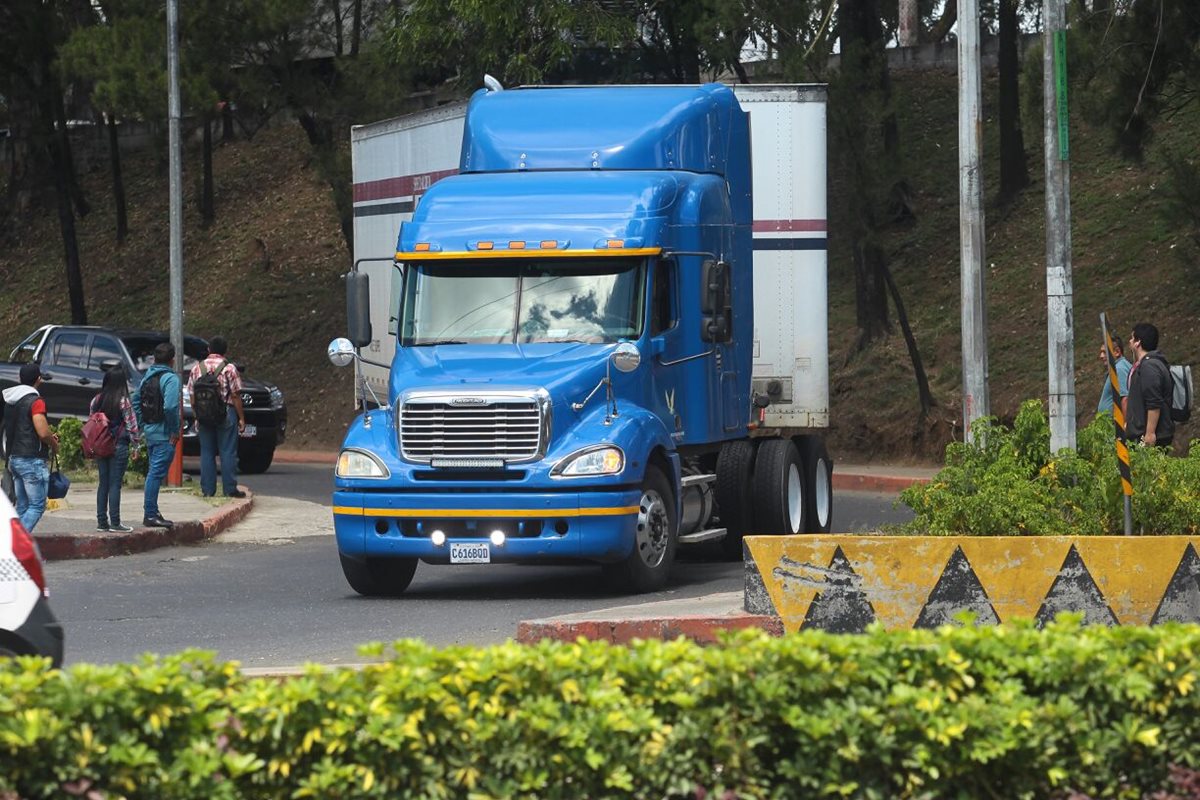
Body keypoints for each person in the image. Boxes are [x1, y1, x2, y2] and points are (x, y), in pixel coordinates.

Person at [2, 363, 59, 531]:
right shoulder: (36, 401)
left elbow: (23, 428)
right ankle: (15, 546)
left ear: (20, 379)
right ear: (39, 379)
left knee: (22, 507)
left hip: (14, 459)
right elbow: (42, 432)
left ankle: (15, 550)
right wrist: (53, 443)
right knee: (36, 506)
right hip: (31, 460)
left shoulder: (10, 401)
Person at [187, 336, 247, 498]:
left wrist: (197, 416)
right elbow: (235, 395)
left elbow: (192, 396)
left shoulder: (197, 368)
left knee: (207, 452)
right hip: (226, 413)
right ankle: (229, 489)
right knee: (227, 452)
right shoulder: (230, 369)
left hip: (204, 415)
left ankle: (208, 490)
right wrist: (241, 418)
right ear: (225, 351)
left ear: (209, 350)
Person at [132, 342, 182, 529]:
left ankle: (152, 511)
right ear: (172, 360)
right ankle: (150, 514)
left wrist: (143, 423)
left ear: (155, 359)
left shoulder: (147, 377)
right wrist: (174, 430)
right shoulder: (171, 379)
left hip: (151, 432)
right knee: (155, 474)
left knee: (154, 472)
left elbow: (135, 401)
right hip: (164, 435)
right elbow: (170, 407)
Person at [90, 367, 141, 532]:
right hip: (118, 445)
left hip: (100, 445)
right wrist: (136, 446)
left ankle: (101, 522)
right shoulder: (124, 401)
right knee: (115, 484)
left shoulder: (96, 400)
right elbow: (132, 425)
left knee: (103, 483)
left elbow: (92, 424)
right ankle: (116, 523)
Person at [1123, 322, 1175, 448]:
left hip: (1147, 437)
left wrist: (1150, 433)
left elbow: (1153, 402)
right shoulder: (1151, 364)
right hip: (1143, 433)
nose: (1129, 342)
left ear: (1138, 342)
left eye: (1132, 338)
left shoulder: (1149, 366)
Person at [1097, 339, 1131, 415]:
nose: (1101, 356)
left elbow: (1125, 399)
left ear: (1117, 352)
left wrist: (1125, 425)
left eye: (1105, 352)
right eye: (1101, 352)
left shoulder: (1119, 369)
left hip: (1117, 424)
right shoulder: (1118, 367)